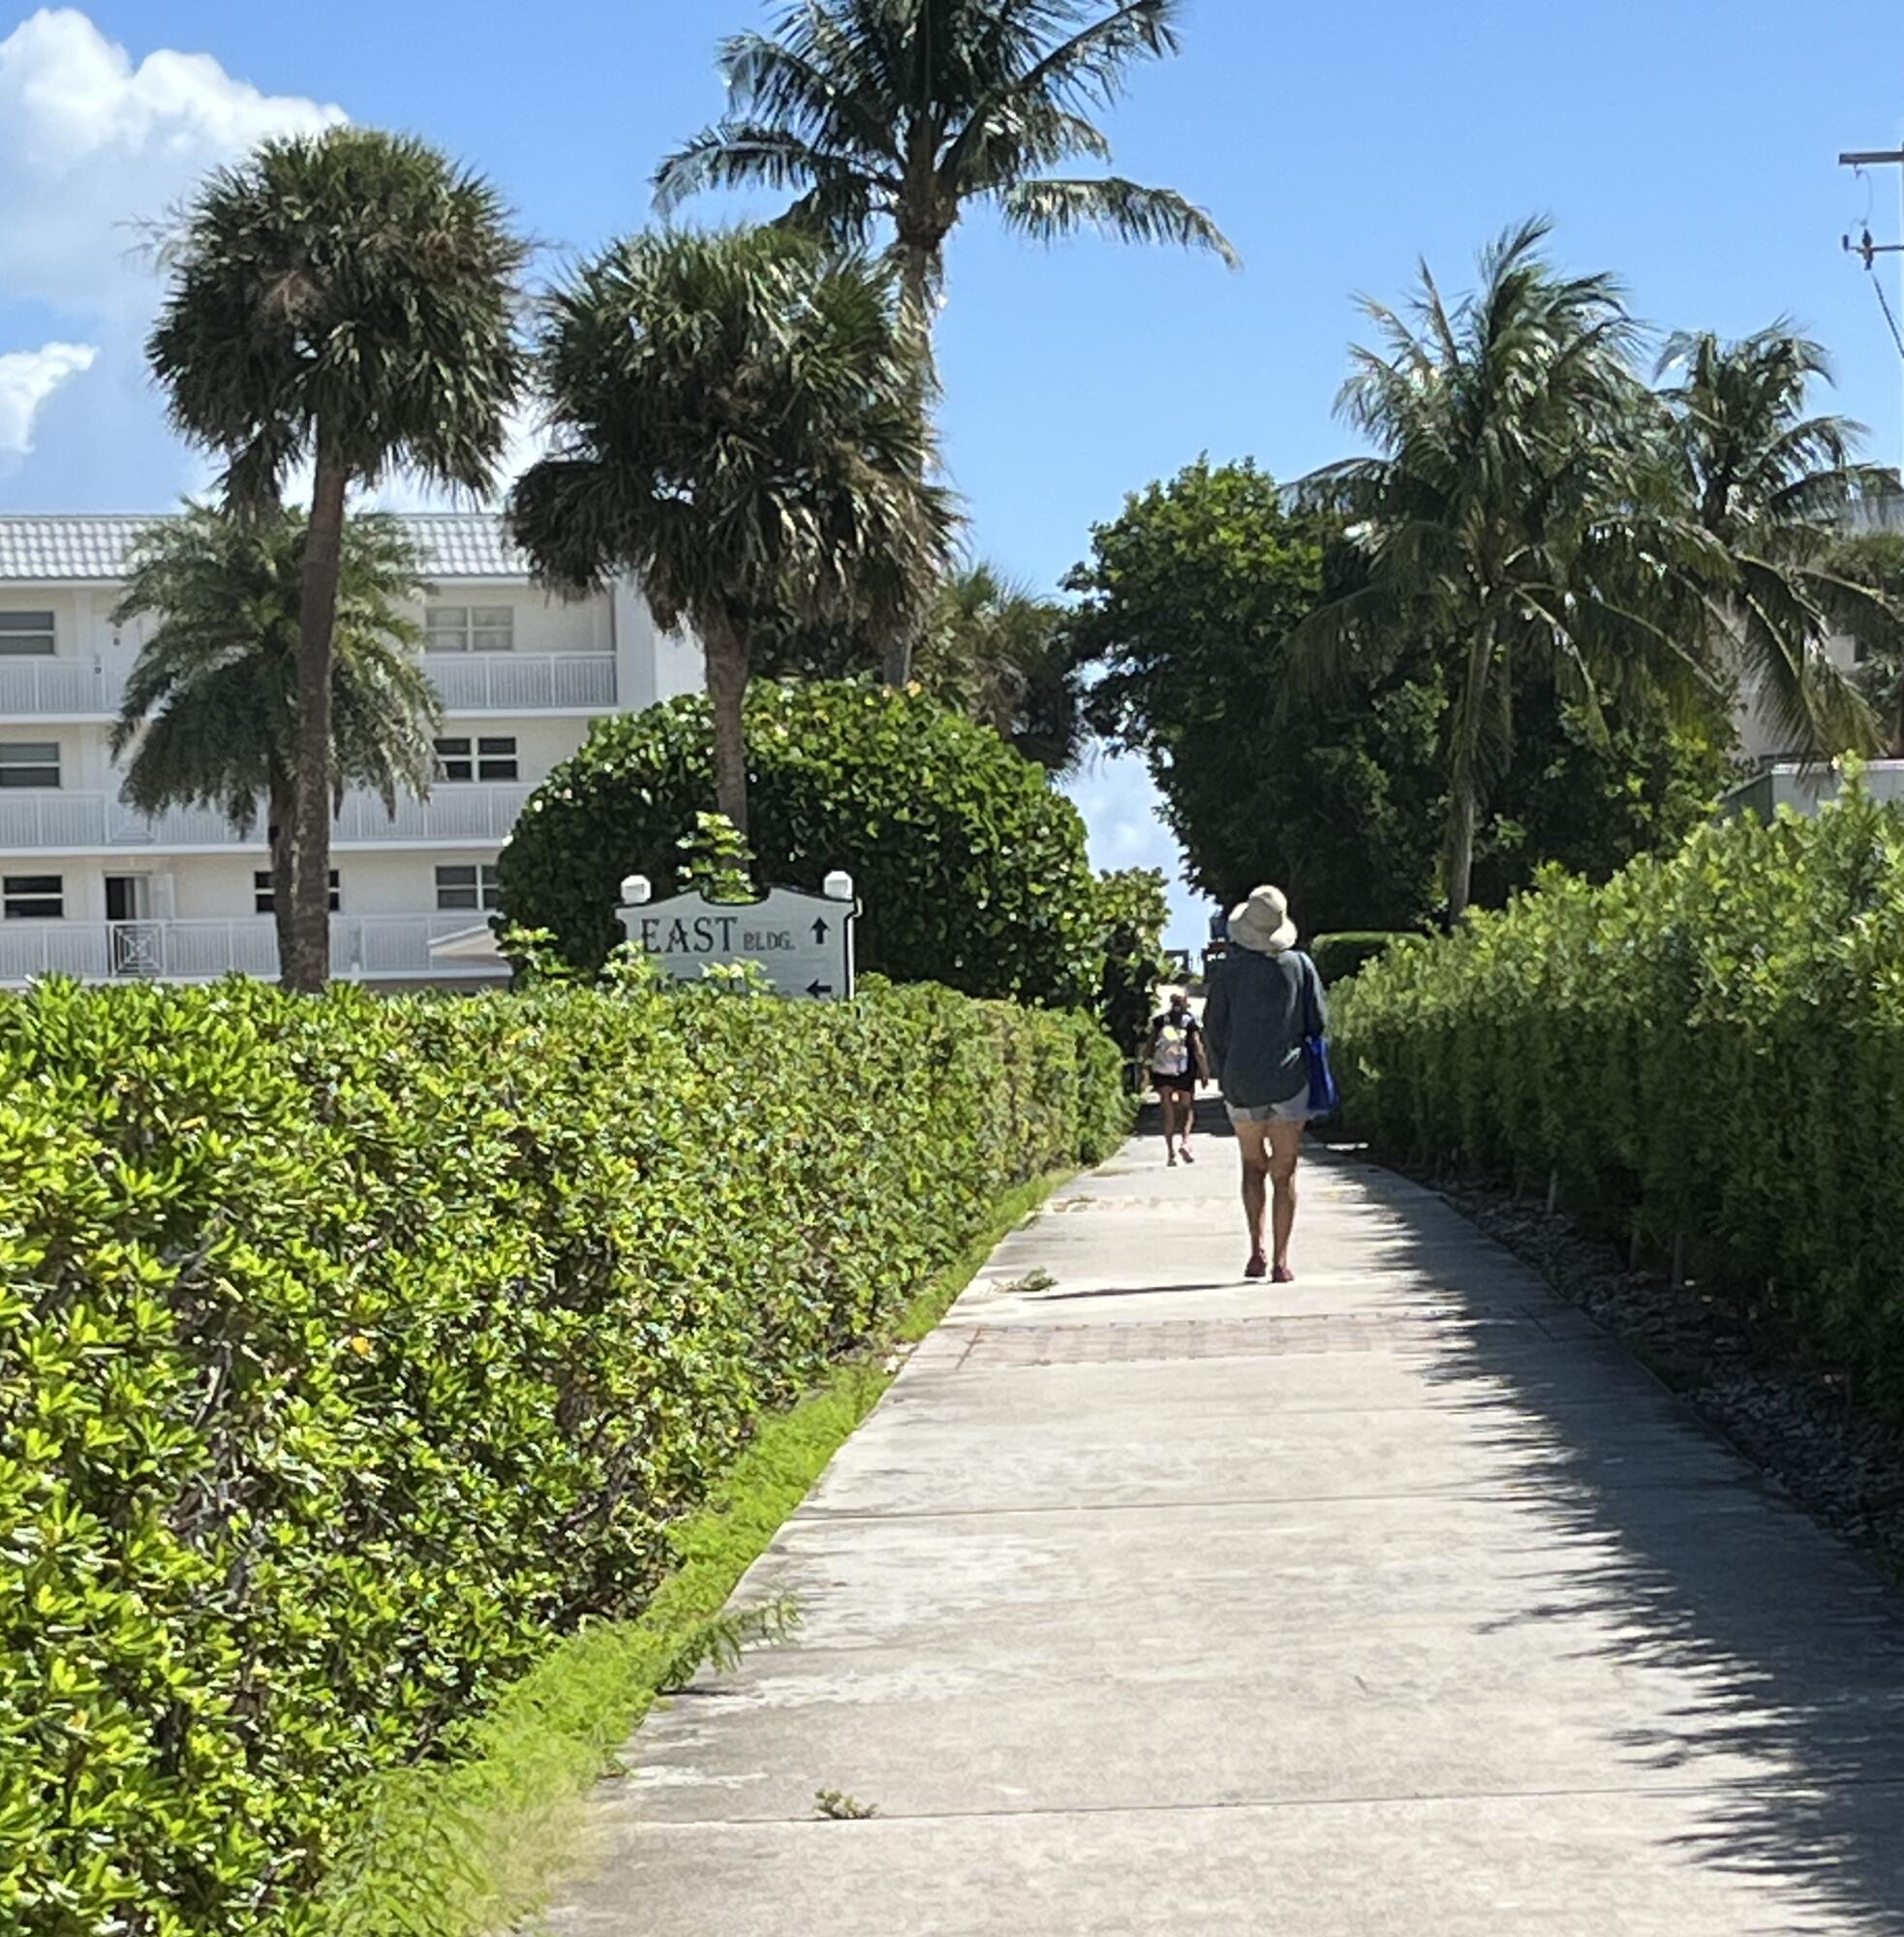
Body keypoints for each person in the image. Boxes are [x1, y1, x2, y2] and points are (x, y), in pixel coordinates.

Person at [1203, 885, 1327, 1283]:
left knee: (1252, 1165)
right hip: (1290, 1080)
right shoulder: (1301, 967)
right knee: (1285, 1172)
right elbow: (1318, 1023)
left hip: (1241, 1082)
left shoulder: (1228, 972)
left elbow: (1214, 1028)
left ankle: (1255, 1250)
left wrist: (1226, 1067)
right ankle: (1281, 1260)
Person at [1145, 989, 1209, 1166]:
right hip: (1184, 1071)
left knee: (1168, 1113)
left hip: (1162, 1072)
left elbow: (1149, 1047)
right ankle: (1185, 1142)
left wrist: (1146, 1068)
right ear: (1185, 1003)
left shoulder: (1159, 1021)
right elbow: (1197, 1048)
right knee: (1187, 1109)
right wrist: (1204, 1071)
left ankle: (1170, 1154)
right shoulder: (1190, 1023)